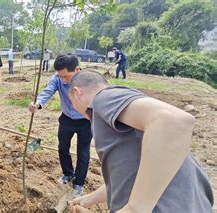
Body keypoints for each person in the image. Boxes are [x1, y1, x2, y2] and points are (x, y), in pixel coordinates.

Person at [67, 70, 214, 213]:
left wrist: (135, 208)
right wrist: (90, 199)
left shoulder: (103, 98)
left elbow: (173, 121)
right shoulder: (124, 108)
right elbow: (132, 173)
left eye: (71, 102)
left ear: (77, 92)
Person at [29, 53, 92, 196]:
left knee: (83, 152)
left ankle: (78, 183)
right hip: (66, 119)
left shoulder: (89, 81)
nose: (63, 80)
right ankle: (68, 174)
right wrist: (38, 104)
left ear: (76, 70)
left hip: (85, 121)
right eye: (60, 76)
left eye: (65, 76)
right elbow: (48, 91)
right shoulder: (58, 78)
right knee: (63, 148)